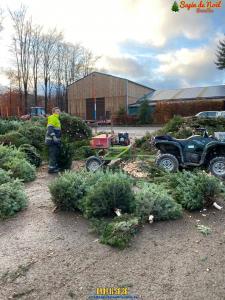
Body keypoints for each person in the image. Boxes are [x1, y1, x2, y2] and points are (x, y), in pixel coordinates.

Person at [45, 107, 61, 173]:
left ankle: (54, 167)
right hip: (51, 141)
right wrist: (54, 136)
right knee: (53, 154)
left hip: (55, 141)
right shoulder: (52, 118)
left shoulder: (57, 119)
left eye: (59, 111)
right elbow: (50, 128)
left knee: (55, 154)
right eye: (57, 111)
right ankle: (51, 169)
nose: (59, 112)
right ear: (54, 112)